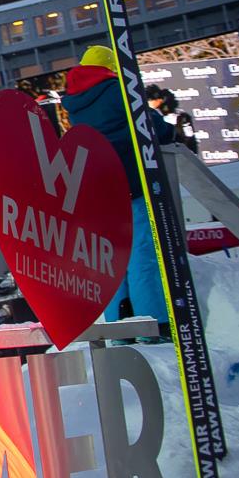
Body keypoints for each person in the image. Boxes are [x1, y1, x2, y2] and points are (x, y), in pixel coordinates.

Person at [64, 45, 171, 324]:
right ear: (110, 68)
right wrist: (171, 130)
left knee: (112, 261)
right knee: (141, 254)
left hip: (98, 189)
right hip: (130, 183)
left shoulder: (74, 102)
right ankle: (152, 321)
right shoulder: (118, 90)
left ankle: (118, 325)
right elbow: (153, 126)